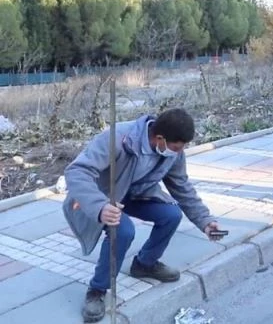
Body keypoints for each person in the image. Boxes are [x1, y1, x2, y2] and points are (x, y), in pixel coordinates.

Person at [62, 108, 224, 323]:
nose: (179, 152)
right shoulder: (118, 138)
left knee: (171, 214)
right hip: (100, 198)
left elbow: (182, 187)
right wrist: (100, 206)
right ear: (159, 138)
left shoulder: (172, 151)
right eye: (177, 147)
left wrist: (205, 220)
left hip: (136, 194)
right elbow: (77, 171)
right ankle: (97, 290)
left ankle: (145, 264)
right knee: (123, 231)